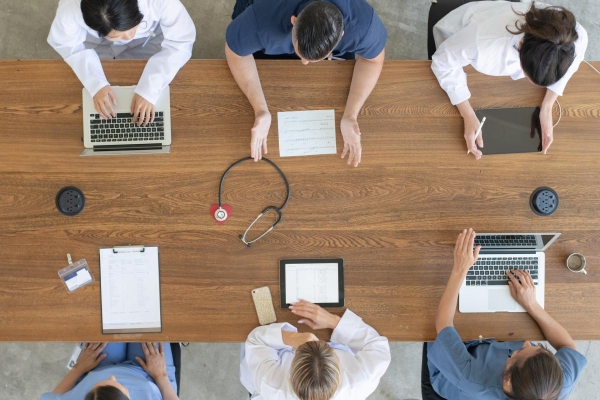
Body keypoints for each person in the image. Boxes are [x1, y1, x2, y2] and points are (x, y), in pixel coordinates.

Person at [427, 229, 587, 399]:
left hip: (453, 375)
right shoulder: (558, 383)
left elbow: (443, 324)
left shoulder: (471, 379)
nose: (526, 343)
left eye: (519, 353)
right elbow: (568, 347)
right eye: (538, 347)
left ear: (508, 379)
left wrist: (460, 269)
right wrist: (532, 305)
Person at [225, 0, 388, 166]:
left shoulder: (363, 25)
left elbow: (373, 61)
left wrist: (351, 115)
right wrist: (260, 109)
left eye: (315, 59)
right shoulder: (259, 20)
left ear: (342, 35)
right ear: (293, 21)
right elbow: (235, 52)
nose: (304, 63)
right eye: (300, 54)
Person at [430, 1, 588, 159]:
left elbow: (575, 58)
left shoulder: (572, 35)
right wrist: (468, 114)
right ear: (521, 45)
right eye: (526, 75)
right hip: (457, 37)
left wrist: (547, 107)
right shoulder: (482, 42)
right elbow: (442, 63)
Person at [48, 0, 196, 126]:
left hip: (148, 38)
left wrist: (149, 90)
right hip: (99, 44)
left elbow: (181, 41)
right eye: (118, 35)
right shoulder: (69, 9)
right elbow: (67, 45)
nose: (129, 37)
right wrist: (95, 83)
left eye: (133, 26)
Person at [240, 299, 391, 399]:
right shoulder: (362, 380)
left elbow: (255, 340)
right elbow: (377, 347)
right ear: (339, 373)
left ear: (290, 379)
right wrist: (334, 321)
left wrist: (293, 338)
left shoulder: (270, 384)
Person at [41, 342, 179, 400]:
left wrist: (79, 368)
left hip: (97, 366)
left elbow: (54, 397)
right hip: (152, 374)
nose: (112, 377)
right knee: (151, 315)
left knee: (106, 315)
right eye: (123, 388)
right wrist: (161, 375)